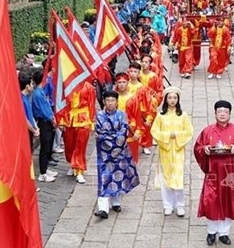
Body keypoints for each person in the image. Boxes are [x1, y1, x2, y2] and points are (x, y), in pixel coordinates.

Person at [194, 100, 234, 246]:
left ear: (230, 114)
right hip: (213, 172)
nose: (223, 114)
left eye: (225, 111)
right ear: (215, 114)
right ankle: (211, 231)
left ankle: (224, 232)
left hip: (229, 172)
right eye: (220, 111)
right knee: (211, 200)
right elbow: (197, 148)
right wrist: (204, 149)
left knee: (228, 200)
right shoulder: (207, 131)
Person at [94, 90, 140, 219]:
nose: (110, 103)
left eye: (112, 100)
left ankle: (116, 202)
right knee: (104, 178)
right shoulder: (99, 115)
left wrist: (108, 137)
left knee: (118, 175)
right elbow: (99, 132)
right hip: (104, 154)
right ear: (104, 102)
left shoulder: (122, 115)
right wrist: (109, 138)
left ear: (116, 102)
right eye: (107, 100)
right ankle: (103, 208)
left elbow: (123, 133)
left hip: (120, 152)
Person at [151, 87, 194, 217]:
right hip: (165, 150)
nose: (172, 100)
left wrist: (177, 135)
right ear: (165, 99)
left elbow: (189, 131)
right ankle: (167, 205)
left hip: (179, 150)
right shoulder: (160, 116)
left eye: (175, 98)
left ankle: (180, 205)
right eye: (170, 98)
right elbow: (154, 131)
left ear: (178, 99)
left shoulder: (183, 115)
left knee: (178, 177)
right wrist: (167, 136)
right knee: (165, 178)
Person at [59, 81, 96, 184]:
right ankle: (72, 163)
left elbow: (92, 104)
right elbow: (62, 103)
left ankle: (79, 170)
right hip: (69, 118)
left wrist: (92, 121)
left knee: (80, 145)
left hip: (83, 118)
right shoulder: (67, 85)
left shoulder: (88, 86)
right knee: (69, 144)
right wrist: (61, 118)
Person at [32, 70, 58, 183]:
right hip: (44, 122)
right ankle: (42, 173)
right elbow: (44, 111)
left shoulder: (40, 92)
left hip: (47, 120)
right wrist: (52, 119)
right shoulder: (38, 94)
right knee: (45, 147)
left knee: (48, 146)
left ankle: (45, 169)